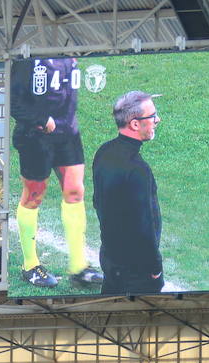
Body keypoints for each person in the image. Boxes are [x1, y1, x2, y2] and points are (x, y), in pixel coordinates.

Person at [10, 57, 103, 289]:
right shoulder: (26, 61)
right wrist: (41, 120)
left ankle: (78, 266)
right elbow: (13, 102)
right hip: (35, 135)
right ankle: (30, 266)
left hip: (68, 133)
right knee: (34, 196)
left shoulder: (70, 56)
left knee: (75, 192)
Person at [92, 90, 164, 295]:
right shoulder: (138, 169)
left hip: (110, 258)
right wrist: (155, 268)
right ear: (134, 123)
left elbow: (98, 202)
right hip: (137, 271)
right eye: (152, 116)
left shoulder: (103, 152)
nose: (157, 120)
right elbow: (145, 225)